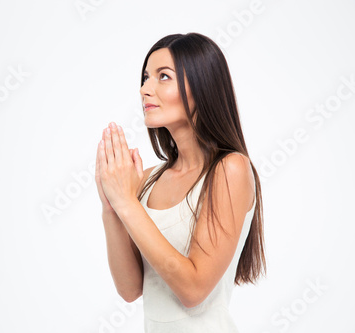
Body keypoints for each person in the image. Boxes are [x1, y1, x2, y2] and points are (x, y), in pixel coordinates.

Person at [95, 32, 266, 332]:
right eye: (146, 77)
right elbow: (131, 288)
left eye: (163, 76)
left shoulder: (230, 169)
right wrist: (112, 207)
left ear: (202, 87)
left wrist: (126, 203)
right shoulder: (147, 180)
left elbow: (193, 290)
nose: (145, 89)